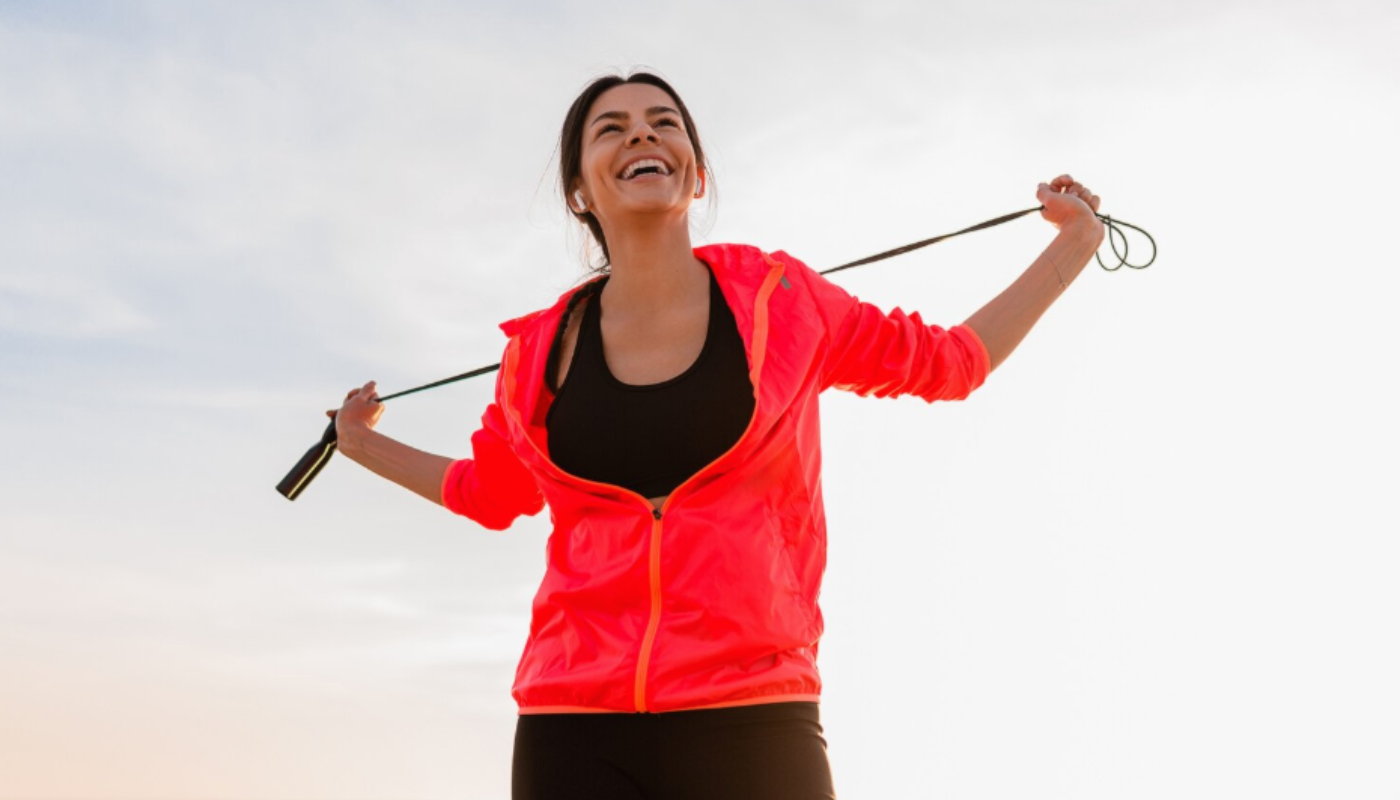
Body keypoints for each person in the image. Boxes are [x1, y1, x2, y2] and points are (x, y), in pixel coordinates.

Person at [328, 71, 1105, 800]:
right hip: (572, 724)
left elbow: (951, 363)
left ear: (695, 174)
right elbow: (486, 492)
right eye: (613, 128)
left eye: (664, 123)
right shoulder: (534, 354)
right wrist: (358, 444)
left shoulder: (787, 303)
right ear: (578, 188)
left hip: (754, 711)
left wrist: (1073, 245)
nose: (642, 135)